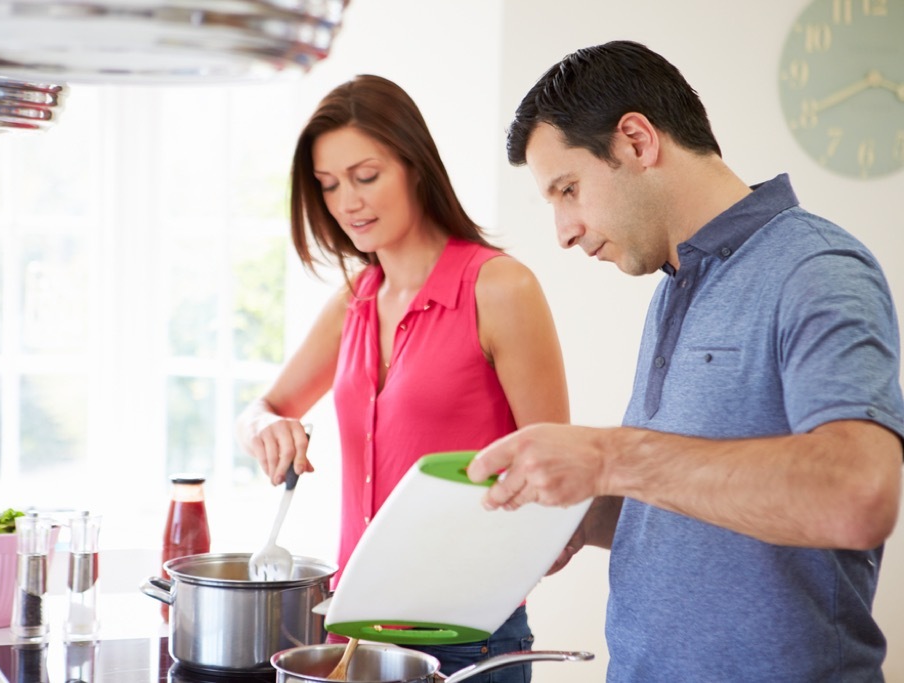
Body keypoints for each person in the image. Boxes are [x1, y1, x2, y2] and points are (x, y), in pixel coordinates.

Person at [467, 40, 904, 681]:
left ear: (637, 141)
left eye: (568, 189)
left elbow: (858, 496)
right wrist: (579, 512)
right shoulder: (675, 284)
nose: (563, 230)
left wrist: (608, 457)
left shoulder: (817, 269)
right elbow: (699, 499)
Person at [236, 74, 569, 682]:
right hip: (353, 633)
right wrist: (265, 425)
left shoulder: (499, 289)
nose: (347, 202)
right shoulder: (354, 301)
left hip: (468, 638)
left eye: (366, 176)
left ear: (415, 167)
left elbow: (557, 474)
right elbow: (263, 405)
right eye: (329, 185)